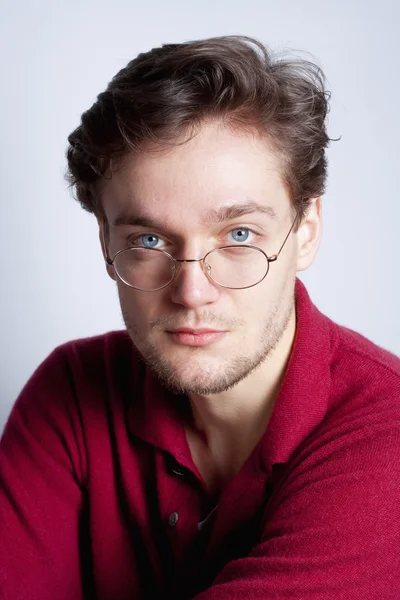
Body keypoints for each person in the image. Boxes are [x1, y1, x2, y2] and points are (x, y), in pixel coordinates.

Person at [1, 35, 399, 600]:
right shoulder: (70, 390)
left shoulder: (387, 435)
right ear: (105, 243)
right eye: (148, 238)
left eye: (239, 235)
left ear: (305, 231)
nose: (191, 291)